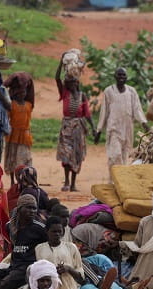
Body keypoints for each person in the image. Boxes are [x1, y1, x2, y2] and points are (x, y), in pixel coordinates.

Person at [97, 69, 146, 169]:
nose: (121, 77)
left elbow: (137, 109)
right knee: (115, 155)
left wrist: (144, 123)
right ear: (115, 76)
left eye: (123, 75)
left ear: (127, 77)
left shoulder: (131, 91)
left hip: (127, 129)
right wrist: (99, 130)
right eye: (119, 75)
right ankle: (114, 177)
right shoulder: (109, 91)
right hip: (114, 129)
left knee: (124, 157)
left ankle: (120, 178)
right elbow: (104, 111)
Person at [54, 55, 90, 193]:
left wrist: (93, 128)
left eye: (74, 82)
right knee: (66, 154)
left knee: (76, 155)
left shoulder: (82, 96)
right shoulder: (65, 94)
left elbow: (87, 114)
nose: (72, 84)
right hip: (66, 128)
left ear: (77, 83)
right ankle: (67, 181)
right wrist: (60, 61)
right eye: (69, 82)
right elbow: (57, 78)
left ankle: (73, 183)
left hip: (78, 129)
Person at [3, 71, 36, 178]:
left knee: (25, 158)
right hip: (13, 134)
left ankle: (23, 179)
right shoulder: (11, 105)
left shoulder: (29, 105)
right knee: (12, 158)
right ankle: (13, 181)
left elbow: (32, 94)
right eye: (19, 93)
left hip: (25, 135)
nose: (22, 94)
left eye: (23, 92)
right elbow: (6, 117)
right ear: (14, 94)